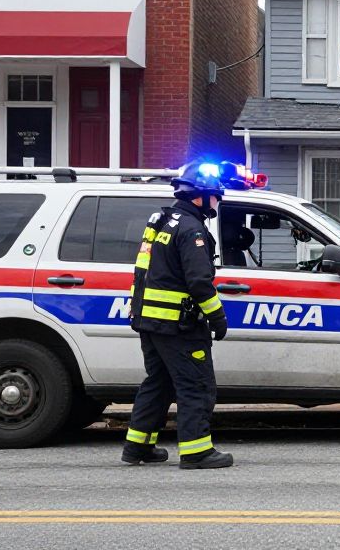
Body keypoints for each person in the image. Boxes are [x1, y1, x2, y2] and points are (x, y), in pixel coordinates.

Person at [121, 161, 233, 469]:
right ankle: (196, 451)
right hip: (178, 326)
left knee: (159, 382)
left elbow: (143, 270)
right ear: (200, 196)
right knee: (196, 385)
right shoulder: (192, 229)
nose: (218, 200)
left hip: (149, 322)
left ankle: (137, 446)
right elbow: (199, 281)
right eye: (215, 195)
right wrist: (217, 316)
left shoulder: (161, 222)